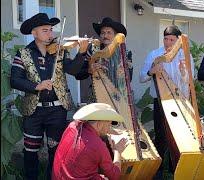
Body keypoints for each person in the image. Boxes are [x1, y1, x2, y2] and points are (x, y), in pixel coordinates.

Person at [10, 13, 89, 180]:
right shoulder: (23, 53)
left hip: (57, 111)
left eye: (51, 30)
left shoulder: (59, 51)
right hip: (33, 112)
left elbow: (74, 71)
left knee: (56, 151)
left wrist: (81, 53)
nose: (51, 35)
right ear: (34, 33)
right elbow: (15, 80)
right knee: (30, 151)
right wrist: (35, 86)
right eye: (45, 31)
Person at [139, 25, 195, 177]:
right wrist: (152, 71)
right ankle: (158, 170)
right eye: (166, 39)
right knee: (161, 134)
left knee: (180, 135)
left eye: (172, 40)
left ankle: (175, 166)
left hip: (180, 100)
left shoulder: (186, 56)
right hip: (161, 101)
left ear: (178, 41)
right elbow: (142, 77)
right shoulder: (154, 54)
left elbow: (189, 81)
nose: (168, 42)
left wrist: (184, 71)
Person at [52, 103, 128, 180]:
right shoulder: (97, 145)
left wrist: (108, 130)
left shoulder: (72, 126)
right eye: (109, 124)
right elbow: (114, 175)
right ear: (99, 124)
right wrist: (117, 151)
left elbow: (93, 127)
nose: (110, 126)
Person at [75, 17, 133, 100]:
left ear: (115, 35)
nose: (105, 36)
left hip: (119, 97)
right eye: (103, 33)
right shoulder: (92, 49)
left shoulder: (125, 53)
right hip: (97, 96)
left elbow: (129, 78)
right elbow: (78, 75)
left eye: (109, 32)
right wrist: (89, 70)